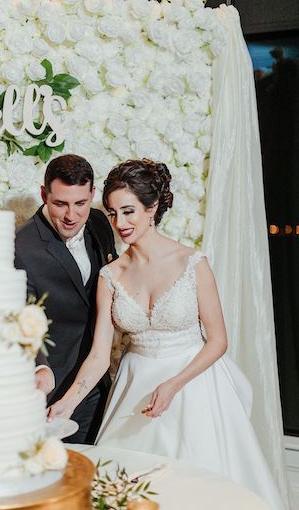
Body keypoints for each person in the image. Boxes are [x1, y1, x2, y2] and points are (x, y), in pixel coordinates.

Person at [48, 158, 284, 509]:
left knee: (199, 489)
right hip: (136, 386)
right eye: (112, 213)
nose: (120, 223)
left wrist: (174, 384)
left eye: (128, 211)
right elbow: (99, 355)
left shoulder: (192, 262)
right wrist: (64, 405)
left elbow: (218, 340)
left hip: (194, 384)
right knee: (127, 488)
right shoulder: (111, 275)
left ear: (152, 207)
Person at [15, 154, 117, 443]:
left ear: (92, 196)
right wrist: (41, 366)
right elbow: (22, 316)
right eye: (60, 204)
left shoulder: (98, 222)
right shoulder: (22, 247)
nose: (71, 216)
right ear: (44, 195)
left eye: (80, 203)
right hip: (55, 388)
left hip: (98, 381)